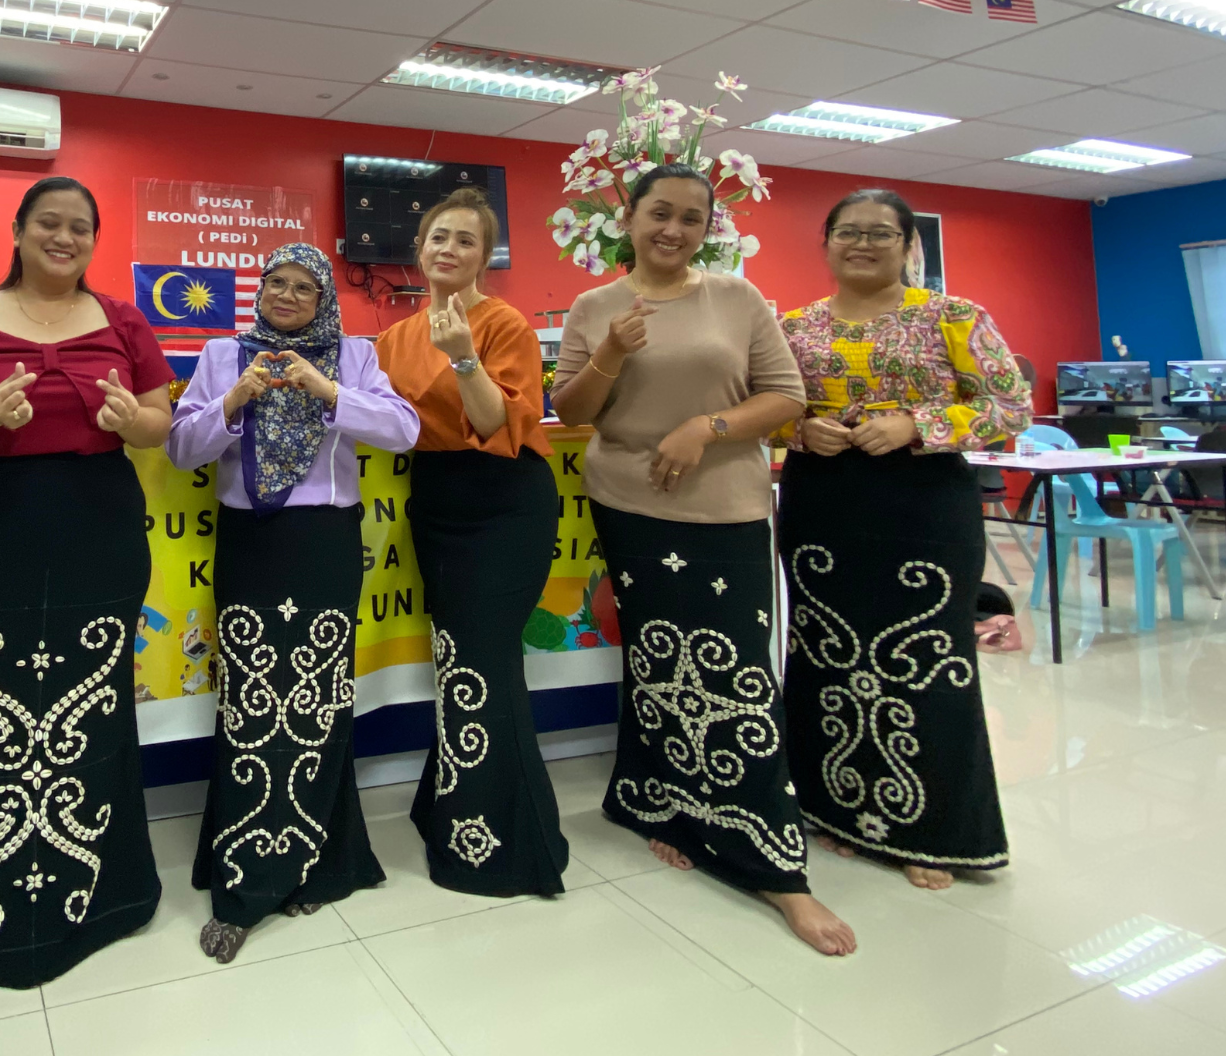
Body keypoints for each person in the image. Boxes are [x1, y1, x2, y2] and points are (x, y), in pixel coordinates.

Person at [551, 163, 855, 956]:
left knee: (737, 673)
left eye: (691, 218)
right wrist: (610, 350)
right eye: (659, 212)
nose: (673, 229)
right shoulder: (593, 306)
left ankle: (774, 865)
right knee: (657, 663)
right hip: (629, 505)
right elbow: (571, 409)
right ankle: (662, 802)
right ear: (628, 218)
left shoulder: (737, 297)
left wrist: (705, 428)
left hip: (725, 507)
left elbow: (785, 396)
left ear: (706, 229)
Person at [0, 177, 173, 987]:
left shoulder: (122, 318)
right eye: (47, 222)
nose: (63, 237)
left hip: (98, 531)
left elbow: (158, 421)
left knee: (92, 705)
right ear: (16, 231)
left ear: (94, 240)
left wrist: (128, 421)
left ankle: (107, 897)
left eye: (80, 227)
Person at [166, 243, 420, 963]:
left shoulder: (354, 354)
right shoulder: (224, 354)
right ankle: (247, 875)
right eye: (275, 282)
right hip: (250, 542)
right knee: (251, 701)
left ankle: (316, 860)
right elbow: (182, 447)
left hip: (323, 544)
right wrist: (233, 400)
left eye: (304, 287)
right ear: (259, 290)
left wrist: (327, 389)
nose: (286, 295)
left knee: (316, 696)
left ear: (323, 299)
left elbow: (403, 431)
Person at [777, 188, 1030, 889]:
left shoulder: (953, 316)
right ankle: (834, 810)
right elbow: (762, 406)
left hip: (924, 503)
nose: (861, 244)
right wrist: (800, 429)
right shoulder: (792, 326)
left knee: (925, 660)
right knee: (826, 654)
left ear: (907, 244)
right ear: (826, 241)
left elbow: (1010, 405)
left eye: (880, 233)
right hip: (821, 502)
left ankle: (935, 831)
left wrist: (919, 424)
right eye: (847, 231)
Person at [375, 188, 571, 898]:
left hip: (504, 501)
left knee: (485, 661)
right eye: (439, 237)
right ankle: (449, 807)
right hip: (437, 501)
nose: (449, 249)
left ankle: (508, 844)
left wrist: (463, 358)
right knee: (458, 660)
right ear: (419, 248)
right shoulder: (394, 336)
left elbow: (495, 423)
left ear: (484, 257)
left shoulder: (502, 322)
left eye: (465, 240)